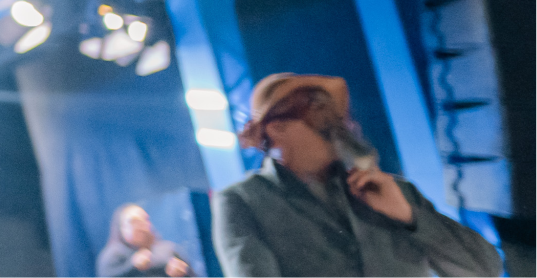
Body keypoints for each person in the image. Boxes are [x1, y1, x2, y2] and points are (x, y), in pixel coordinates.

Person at [214, 73, 502, 277]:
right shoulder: (243, 201)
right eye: (317, 115)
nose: (338, 126)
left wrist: (409, 216)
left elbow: (484, 269)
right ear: (277, 128)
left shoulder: (393, 192)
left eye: (336, 115)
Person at [98, 204, 197, 277]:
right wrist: (133, 267)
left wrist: (183, 274)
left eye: (144, 220)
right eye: (134, 222)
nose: (140, 226)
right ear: (121, 228)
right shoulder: (113, 256)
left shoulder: (167, 250)